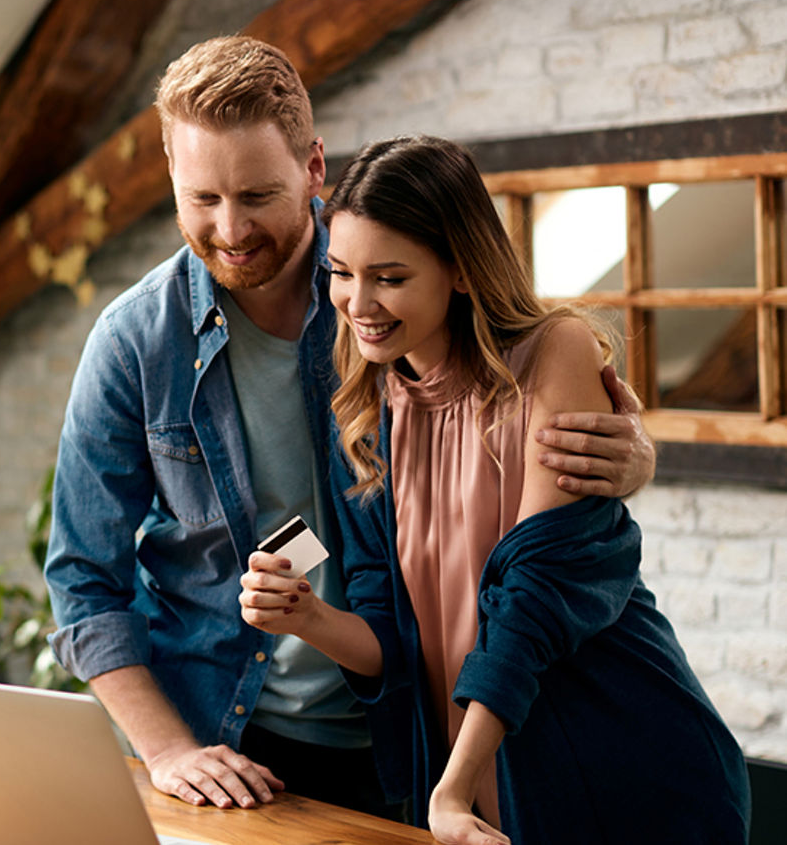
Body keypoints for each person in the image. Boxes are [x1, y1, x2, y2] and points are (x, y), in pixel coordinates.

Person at [44, 37, 656, 815]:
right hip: (225, 740)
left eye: (257, 195)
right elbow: (83, 580)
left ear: (313, 167)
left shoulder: (387, 290)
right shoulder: (135, 341)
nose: (231, 229)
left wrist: (631, 454)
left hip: (413, 724)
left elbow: (509, 387)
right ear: (170, 174)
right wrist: (167, 750)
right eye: (202, 198)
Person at [239, 134, 750, 844]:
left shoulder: (553, 353)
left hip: (624, 769)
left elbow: (535, 599)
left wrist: (451, 789)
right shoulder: (361, 412)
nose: (358, 302)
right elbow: (394, 637)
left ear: (461, 269)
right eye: (341, 272)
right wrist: (306, 618)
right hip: (472, 792)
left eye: (390, 277)